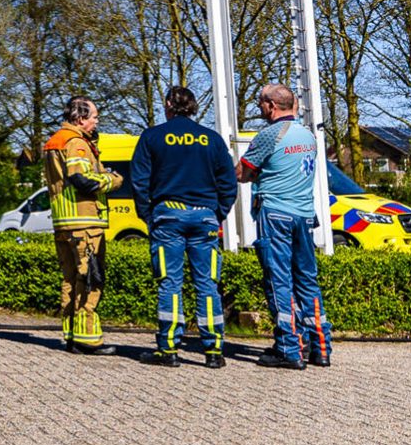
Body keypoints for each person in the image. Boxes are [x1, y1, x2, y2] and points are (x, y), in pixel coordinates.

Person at [129, 87, 238, 369]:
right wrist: (218, 213)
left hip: (168, 217)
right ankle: (214, 351)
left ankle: (168, 350)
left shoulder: (152, 137)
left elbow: (139, 182)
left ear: (168, 105)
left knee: (170, 283)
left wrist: (148, 217)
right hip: (205, 219)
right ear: (194, 108)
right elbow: (228, 183)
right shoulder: (211, 139)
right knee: (207, 285)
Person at [239, 83, 330, 370]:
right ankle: (321, 347)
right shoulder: (309, 136)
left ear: (271, 106)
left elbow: (242, 173)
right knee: (307, 280)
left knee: (279, 281)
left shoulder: (269, 135)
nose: (259, 109)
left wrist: (260, 175)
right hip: (304, 215)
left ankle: (289, 349)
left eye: (260, 104)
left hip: (275, 214)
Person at [43, 96, 123, 356]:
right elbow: (81, 178)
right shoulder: (76, 142)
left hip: (63, 222)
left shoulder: (55, 140)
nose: (97, 122)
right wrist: (112, 180)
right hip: (84, 222)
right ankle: (88, 340)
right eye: (94, 117)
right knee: (90, 279)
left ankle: (71, 336)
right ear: (80, 119)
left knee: (69, 280)